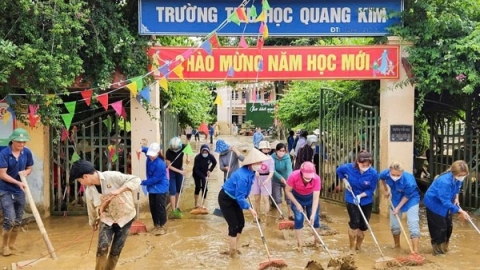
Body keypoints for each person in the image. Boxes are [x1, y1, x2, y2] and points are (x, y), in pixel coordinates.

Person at [69, 159, 141, 270]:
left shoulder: (112, 176)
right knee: (102, 248)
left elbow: (136, 179)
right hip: (106, 219)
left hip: (126, 217)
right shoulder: (89, 191)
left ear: (85, 177)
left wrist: (119, 190)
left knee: (116, 250)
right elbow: (91, 208)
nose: (81, 184)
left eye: (79, 181)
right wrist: (93, 222)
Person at [218, 148, 269, 257]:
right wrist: (250, 209)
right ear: (251, 163)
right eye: (258, 162)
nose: (260, 164)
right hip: (226, 198)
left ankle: (234, 247)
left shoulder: (252, 171)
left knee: (241, 223)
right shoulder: (242, 176)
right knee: (234, 225)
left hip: (236, 198)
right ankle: (232, 253)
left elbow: (243, 194)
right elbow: (239, 197)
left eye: (261, 162)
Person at [423, 160, 470, 255]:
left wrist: (456, 198)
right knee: (440, 229)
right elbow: (445, 201)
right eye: (461, 175)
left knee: (448, 227)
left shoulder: (457, 178)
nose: (462, 177)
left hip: (445, 203)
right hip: (434, 204)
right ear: (454, 173)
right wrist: (461, 211)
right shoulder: (444, 181)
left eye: (464, 175)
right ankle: (438, 252)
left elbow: (457, 188)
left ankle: (445, 248)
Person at [336, 151, 378, 253]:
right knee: (355, 222)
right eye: (363, 165)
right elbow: (338, 171)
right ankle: (351, 248)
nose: (365, 167)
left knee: (363, 225)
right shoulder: (348, 168)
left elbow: (371, 190)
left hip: (366, 200)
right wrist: (345, 181)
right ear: (357, 162)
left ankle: (358, 247)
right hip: (351, 197)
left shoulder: (373, 173)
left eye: (367, 165)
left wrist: (360, 196)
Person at [0, 128, 33, 256]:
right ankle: (4, 246)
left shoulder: (26, 153)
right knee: (10, 219)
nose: (22, 144)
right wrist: (18, 182)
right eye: (19, 142)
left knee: (18, 220)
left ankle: (12, 244)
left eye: (24, 142)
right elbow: (2, 174)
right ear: (12, 140)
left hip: (20, 191)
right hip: (6, 190)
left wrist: (26, 172)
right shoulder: (4, 154)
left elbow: (29, 168)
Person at [379, 161, 421, 253]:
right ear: (389, 171)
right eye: (393, 174)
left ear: (402, 173)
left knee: (413, 223)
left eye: (398, 175)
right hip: (396, 198)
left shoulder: (409, 181)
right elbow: (382, 179)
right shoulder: (385, 173)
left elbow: (407, 196)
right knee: (394, 225)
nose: (395, 177)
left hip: (411, 199)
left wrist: (398, 208)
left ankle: (415, 251)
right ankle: (397, 246)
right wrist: (386, 190)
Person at [285, 161, 321, 250]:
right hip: (297, 198)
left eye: (310, 177)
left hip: (311, 199)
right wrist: (297, 204)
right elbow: (287, 191)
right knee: (299, 219)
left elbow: (316, 198)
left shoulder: (317, 179)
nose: (308, 179)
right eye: (306, 177)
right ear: (301, 172)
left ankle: (317, 242)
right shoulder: (293, 176)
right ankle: (300, 245)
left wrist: (312, 214)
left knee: (315, 219)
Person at [137, 143, 169, 235]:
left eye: (153, 155)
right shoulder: (149, 153)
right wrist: (140, 149)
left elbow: (155, 179)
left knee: (160, 207)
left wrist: (142, 182)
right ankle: (156, 225)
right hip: (152, 188)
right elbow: (145, 149)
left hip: (160, 187)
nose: (150, 156)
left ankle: (162, 226)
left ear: (158, 153)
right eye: (150, 154)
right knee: (153, 207)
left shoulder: (160, 164)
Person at [251, 141, 274, 222]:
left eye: (267, 149)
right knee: (257, 198)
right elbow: (252, 167)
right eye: (264, 148)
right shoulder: (256, 157)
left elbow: (271, 172)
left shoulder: (270, 159)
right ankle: (256, 216)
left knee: (265, 199)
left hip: (266, 178)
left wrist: (267, 180)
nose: (266, 150)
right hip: (256, 178)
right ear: (260, 149)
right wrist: (255, 171)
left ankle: (266, 217)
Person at [165, 137, 190, 213]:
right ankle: (173, 210)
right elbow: (169, 166)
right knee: (173, 190)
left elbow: (188, 147)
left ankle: (177, 206)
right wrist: (180, 171)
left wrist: (188, 157)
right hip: (171, 172)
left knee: (179, 189)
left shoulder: (182, 146)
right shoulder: (168, 152)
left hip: (180, 171)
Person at [271, 143, 293, 219]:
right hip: (275, 179)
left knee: (289, 197)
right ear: (276, 151)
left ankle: (290, 214)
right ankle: (280, 214)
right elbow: (272, 170)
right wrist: (280, 178)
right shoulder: (272, 158)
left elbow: (289, 169)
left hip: (287, 180)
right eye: (280, 150)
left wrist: (289, 180)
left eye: (283, 151)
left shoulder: (287, 158)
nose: (281, 152)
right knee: (277, 197)